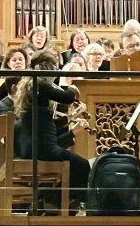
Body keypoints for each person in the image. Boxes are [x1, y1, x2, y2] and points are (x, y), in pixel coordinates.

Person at [14, 51, 89, 209]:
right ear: (48, 67)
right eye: (55, 68)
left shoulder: (32, 87)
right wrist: (71, 86)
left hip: (31, 149)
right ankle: (56, 200)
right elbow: (67, 97)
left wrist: (70, 117)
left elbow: (46, 124)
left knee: (77, 164)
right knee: (82, 165)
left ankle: (52, 200)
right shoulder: (40, 84)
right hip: (44, 150)